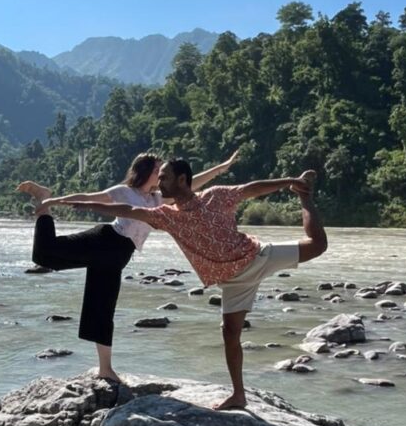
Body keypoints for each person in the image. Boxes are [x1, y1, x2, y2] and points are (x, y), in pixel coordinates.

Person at [62, 160, 327, 409]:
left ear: (182, 179)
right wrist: (90, 205)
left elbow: (251, 189)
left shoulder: (216, 196)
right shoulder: (166, 216)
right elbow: (130, 211)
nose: (158, 184)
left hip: (256, 257)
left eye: (164, 178)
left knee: (318, 245)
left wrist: (291, 182)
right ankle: (239, 395)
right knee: (230, 334)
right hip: (232, 282)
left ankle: (304, 195)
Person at [17, 150, 240, 382]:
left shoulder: (157, 200)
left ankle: (105, 369)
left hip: (117, 256)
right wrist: (55, 200)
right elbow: (90, 197)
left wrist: (221, 168)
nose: (161, 174)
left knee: (102, 310)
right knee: (44, 255)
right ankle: (43, 199)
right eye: (157, 170)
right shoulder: (124, 192)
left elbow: (192, 183)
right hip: (104, 241)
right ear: (146, 172)